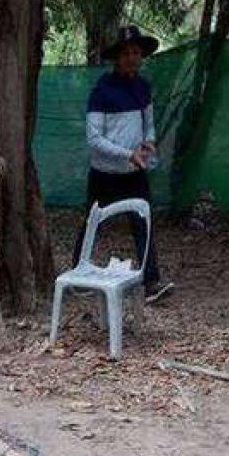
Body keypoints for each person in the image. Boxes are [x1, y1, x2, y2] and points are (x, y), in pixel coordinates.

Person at [72, 25, 174, 304]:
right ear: (116, 58)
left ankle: (151, 283)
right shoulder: (102, 90)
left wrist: (148, 143)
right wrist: (127, 154)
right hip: (104, 173)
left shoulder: (143, 87)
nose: (131, 58)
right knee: (92, 222)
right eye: (126, 53)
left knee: (143, 224)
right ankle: (78, 274)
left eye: (136, 52)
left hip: (135, 172)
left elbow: (148, 124)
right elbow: (94, 139)